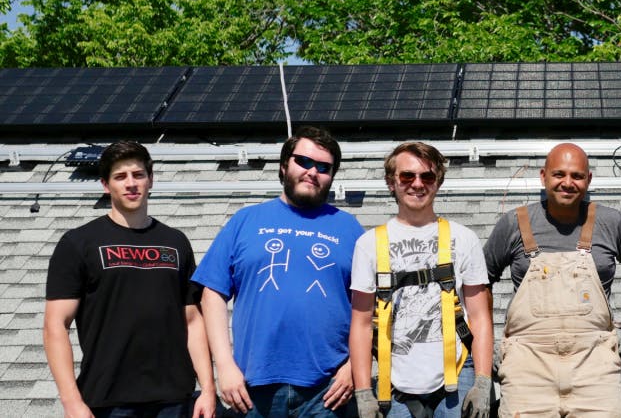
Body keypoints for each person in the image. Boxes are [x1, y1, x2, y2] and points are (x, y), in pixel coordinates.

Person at [192, 126, 364, 417]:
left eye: (324, 167)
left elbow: (373, 308)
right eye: (304, 162)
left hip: (328, 392)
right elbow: (212, 295)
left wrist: (353, 369)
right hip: (252, 387)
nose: (313, 172)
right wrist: (224, 365)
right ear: (284, 166)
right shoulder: (245, 221)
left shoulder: (350, 229)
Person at [43, 140, 217, 418]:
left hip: (174, 398)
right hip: (108, 400)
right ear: (105, 184)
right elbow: (55, 325)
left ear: (151, 180)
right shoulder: (78, 243)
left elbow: (193, 319)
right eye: (120, 177)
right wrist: (72, 402)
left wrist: (208, 389)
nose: (130, 183)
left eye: (138, 175)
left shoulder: (175, 242)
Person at [484, 142, 621, 417]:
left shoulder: (612, 222)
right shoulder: (513, 224)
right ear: (543, 176)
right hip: (527, 368)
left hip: (595, 366)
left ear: (588, 180)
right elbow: (479, 281)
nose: (568, 183)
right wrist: (487, 342)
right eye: (559, 175)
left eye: (577, 176)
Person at [349, 142, 493, 418]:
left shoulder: (464, 239)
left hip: (457, 375)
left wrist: (483, 382)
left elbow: (480, 316)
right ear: (391, 183)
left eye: (427, 177)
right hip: (392, 383)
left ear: (438, 183)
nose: (417, 184)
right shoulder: (368, 244)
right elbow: (361, 323)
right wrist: (363, 391)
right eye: (407, 176)